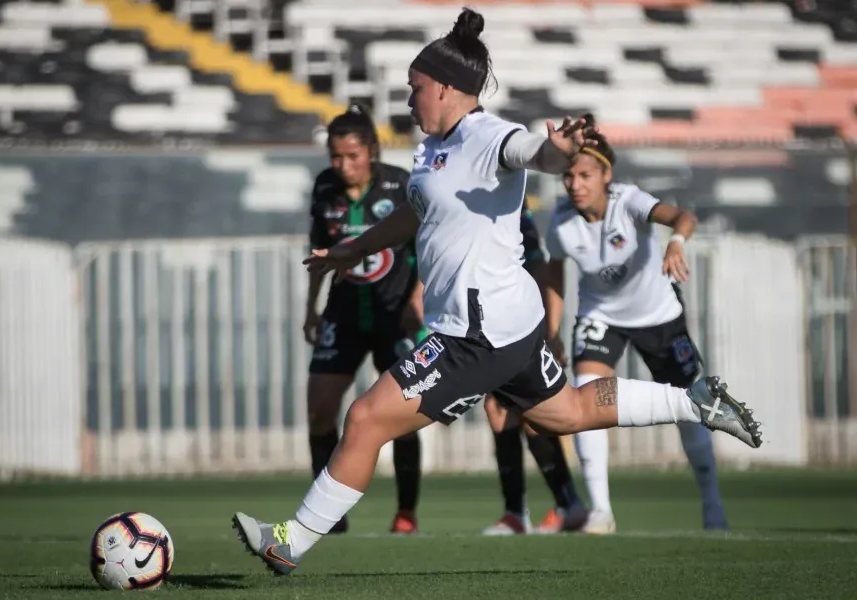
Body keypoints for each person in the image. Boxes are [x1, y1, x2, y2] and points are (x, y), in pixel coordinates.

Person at [231, 8, 762, 576]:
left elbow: (536, 153)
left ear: (444, 87)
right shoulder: (433, 147)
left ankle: (288, 542)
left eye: (415, 90)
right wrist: (351, 251)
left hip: (476, 331)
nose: (409, 101)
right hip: (507, 321)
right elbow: (418, 211)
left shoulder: (490, 136)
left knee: (364, 419)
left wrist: (558, 150)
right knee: (566, 413)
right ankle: (696, 401)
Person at [542, 120, 729, 532]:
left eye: (585, 175)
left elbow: (683, 217)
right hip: (601, 316)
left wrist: (676, 243)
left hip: (657, 315)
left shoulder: (629, 202)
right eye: (569, 175)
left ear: (607, 176)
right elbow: (553, 276)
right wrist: (551, 331)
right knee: (583, 397)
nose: (575, 183)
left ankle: (713, 506)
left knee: (688, 404)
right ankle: (601, 511)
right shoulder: (560, 223)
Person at [303, 104, 424, 535]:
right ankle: (331, 517)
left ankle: (406, 513)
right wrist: (311, 308)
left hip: (396, 316)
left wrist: (419, 297)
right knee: (320, 411)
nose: (343, 165)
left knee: (403, 412)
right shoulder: (324, 189)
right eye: (336, 157)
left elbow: (426, 246)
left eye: (352, 156)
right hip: (344, 313)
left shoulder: (402, 185)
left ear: (371, 150)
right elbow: (320, 251)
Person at [481, 200, 588, 535]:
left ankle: (566, 505)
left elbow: (540, 268)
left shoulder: (508, 209)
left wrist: (548, 333)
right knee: (500, 410)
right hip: (491, 327)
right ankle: (523, 512)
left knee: (531, 413)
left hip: (519, 327)